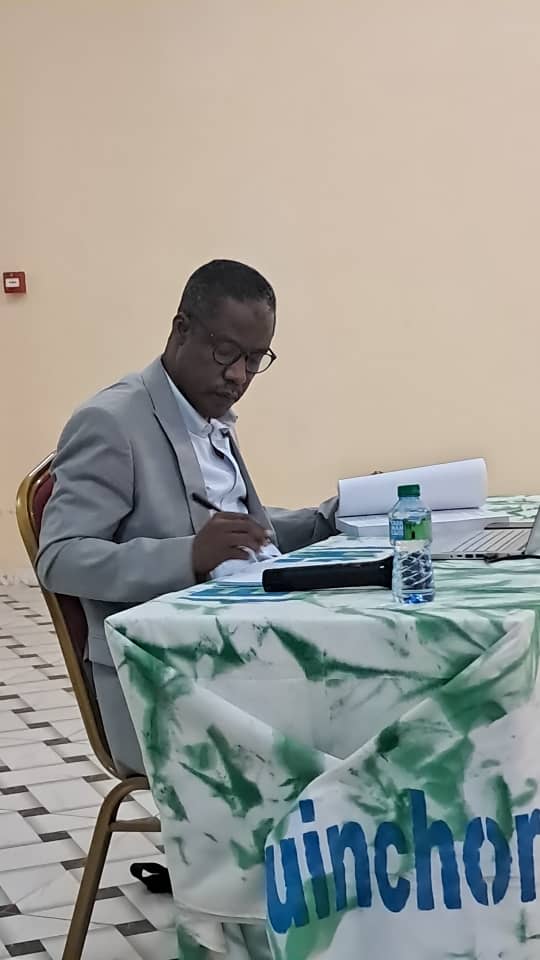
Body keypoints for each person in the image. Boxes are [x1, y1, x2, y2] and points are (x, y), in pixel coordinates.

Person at [36, 259, 337, 777]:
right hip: (166, 681)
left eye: (254, 359)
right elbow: (60, 558)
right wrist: (189, 556)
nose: (238, 375)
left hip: (244, 644)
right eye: (226, 353)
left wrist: (328, 519)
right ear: (181, 329)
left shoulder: (204, 412)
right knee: (357, 711)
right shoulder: (111, 423)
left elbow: (236, 533)